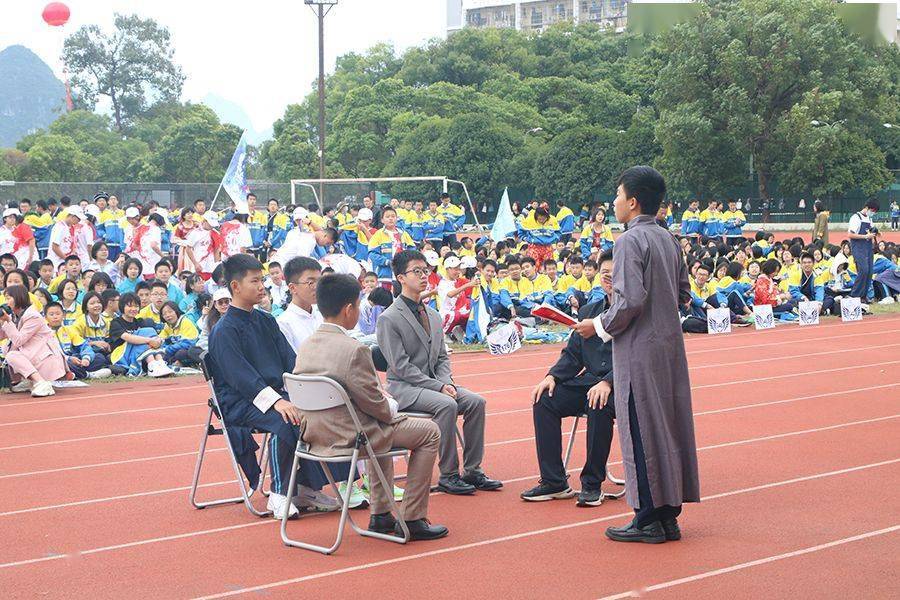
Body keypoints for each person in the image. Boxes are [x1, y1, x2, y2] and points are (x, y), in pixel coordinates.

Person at [572, 166, 700, 544]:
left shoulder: (629, 241)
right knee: (667, 426)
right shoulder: (668, 238)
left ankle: (646, 517)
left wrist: (596, 326)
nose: (613, 202)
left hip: (639, 351)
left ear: (632, 201)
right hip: (668, 348)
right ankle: (667, 515)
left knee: (641, 427)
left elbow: (629, 302)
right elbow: (683, 294)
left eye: (617, 194)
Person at [293, 273, 448, 541]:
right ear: (349, 309)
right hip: (352, 437)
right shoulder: (354, 349)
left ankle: (381, 514)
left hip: (314, 437)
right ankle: (412, 517)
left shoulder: (306, 346)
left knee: (382, 427)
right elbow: (377, 405)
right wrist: (393, 407)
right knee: (428, 431)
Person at [208, 254, 338, 520]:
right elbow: (240, 377)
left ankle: (304, 487)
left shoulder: (267, 321)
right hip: (242, 401)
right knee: (286, 419)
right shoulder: (223, 331)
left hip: (278, 393)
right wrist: (278, 401)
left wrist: (308, 389)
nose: (261, 287)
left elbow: (291, 362)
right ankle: (279, 493)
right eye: (254, 281)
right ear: (235, 286)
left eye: (262, 280)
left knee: (320, 409)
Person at [377, 250, 503, 495]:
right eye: (417, 271)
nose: (424, 276)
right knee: (447, 405)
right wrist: (439, 388)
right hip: (405, 389)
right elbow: (401, 367)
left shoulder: (433, 315)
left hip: (437, 385)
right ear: (401, 277)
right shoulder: (389, 318)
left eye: (426, 271)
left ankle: (473, 469)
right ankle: (449, 474)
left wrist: (446, 382)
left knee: (477, 402)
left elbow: (443, 357)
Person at [522, 249, 617, 507]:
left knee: (598, 404)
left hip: (621, 383)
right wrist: (551, 376)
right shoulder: (589, 309)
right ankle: (554, 481)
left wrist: (608, 381)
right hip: (589, 381)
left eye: (615, 272)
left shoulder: (631, 311)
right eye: (605, 272)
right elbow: (573, 354)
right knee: (544, 399)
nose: (609, 277)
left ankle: (592, 484)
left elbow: (637, 356)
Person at [0, 285, 67, 397]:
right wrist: (2, 321)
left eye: (8, 298)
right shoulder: (16, 317)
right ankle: (30, 381)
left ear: (18, 298)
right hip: (34, 357)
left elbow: (19, 340)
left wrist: (8, 321)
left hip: (45, 359)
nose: (6, 302)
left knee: (12, 355)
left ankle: (41, 382)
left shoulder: (33, 316)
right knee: (10, 353)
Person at [848, 200, 879, 304]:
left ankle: (863, 296)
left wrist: (876, 233)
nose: (873, 213)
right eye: (873, 210)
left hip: (868, 248)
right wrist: (866, 236)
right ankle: (855, 295)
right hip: (858, 247)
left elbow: (871, 230)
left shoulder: (869, 218)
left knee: (869, 272)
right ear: (867, 207)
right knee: (863, 271)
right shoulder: (856, 217)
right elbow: (850, 235)